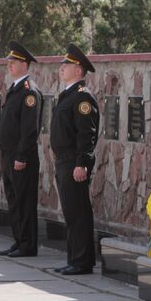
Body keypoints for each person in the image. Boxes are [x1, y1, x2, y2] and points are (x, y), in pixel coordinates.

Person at [50, 43, 99, 275]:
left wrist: (82, 163)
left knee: (78, 212)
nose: (62, 68)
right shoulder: (67, 95)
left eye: (66, 65)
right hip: (64, 160)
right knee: (71, 212)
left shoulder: (82, 98)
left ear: (78, 70)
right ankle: (74, 258)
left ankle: (82, 261)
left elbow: (86, 134)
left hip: (73, 162)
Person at [0, 41, 43, 258]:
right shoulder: (15, 89)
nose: (10, 65)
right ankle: (19, 240)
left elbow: (29, 128)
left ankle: (27, 245)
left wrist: (22, 155)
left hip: (20, 156)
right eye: (9, 61)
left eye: (13, 61)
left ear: (24, 64)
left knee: (24, 202)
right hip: (8, 154)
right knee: (14, 200)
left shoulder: (29, 92)